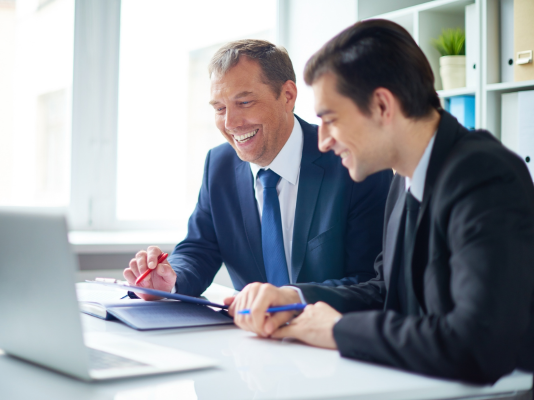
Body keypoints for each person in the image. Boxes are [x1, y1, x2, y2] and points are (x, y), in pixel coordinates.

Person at [226, 21, 534, 384]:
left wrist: (337, 331)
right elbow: (386, 291)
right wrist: (293, 299)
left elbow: (476, 346)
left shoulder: (484, 175)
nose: (322, 141)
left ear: (382, 105)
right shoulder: (403, 176)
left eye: (331, 119)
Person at [123, 39, 393, 300]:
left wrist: (291, 300)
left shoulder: (352, 162)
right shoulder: (218, 165)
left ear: (287, 96)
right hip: (251, 338)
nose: (231, 122)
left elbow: (371, 280)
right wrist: (170, 279)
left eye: (244, 102)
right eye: (219, 108)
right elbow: (199, 248)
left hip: (329, 337)